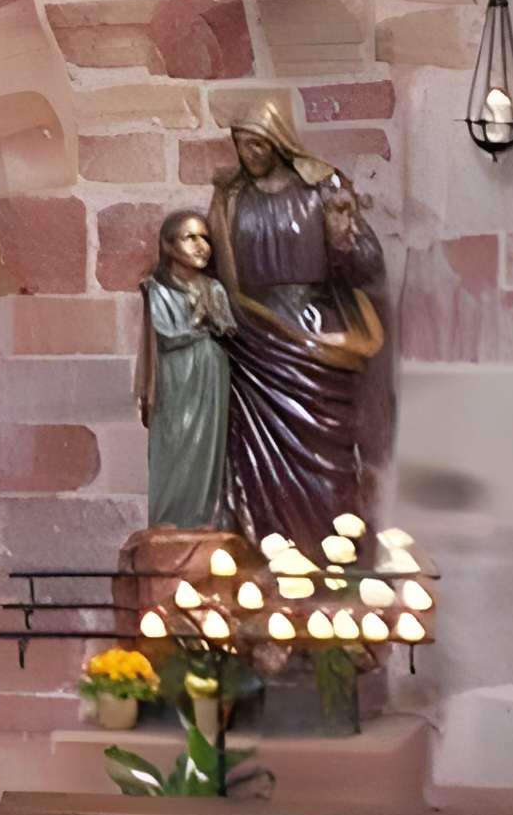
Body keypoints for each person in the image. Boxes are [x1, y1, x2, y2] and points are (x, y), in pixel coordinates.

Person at [206, 99, 386, 544]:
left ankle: (332, 549)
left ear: (278, 142)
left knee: (325, 448)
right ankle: (264, 548)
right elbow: (213, 267)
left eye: (258, 144)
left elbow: (368, 268)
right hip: (252, 337)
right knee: (253, 456)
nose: (249, 154)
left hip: (314, 330)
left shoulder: (320, 187)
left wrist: (344, 236)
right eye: (241, 145)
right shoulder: (231, 196)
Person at [137, 207, 234, 529]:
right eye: (189, 237)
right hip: (177, 376)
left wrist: (213, 322)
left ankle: (203, 518)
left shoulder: (214, 288)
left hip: (213, 374)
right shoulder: (158, 288)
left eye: (205, 238)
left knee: (207, 446)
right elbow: (166, 333)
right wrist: (199, 322)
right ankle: (168, 518)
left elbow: (227, 327)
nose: (201, 246)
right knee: (176, 441)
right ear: (168, 245)